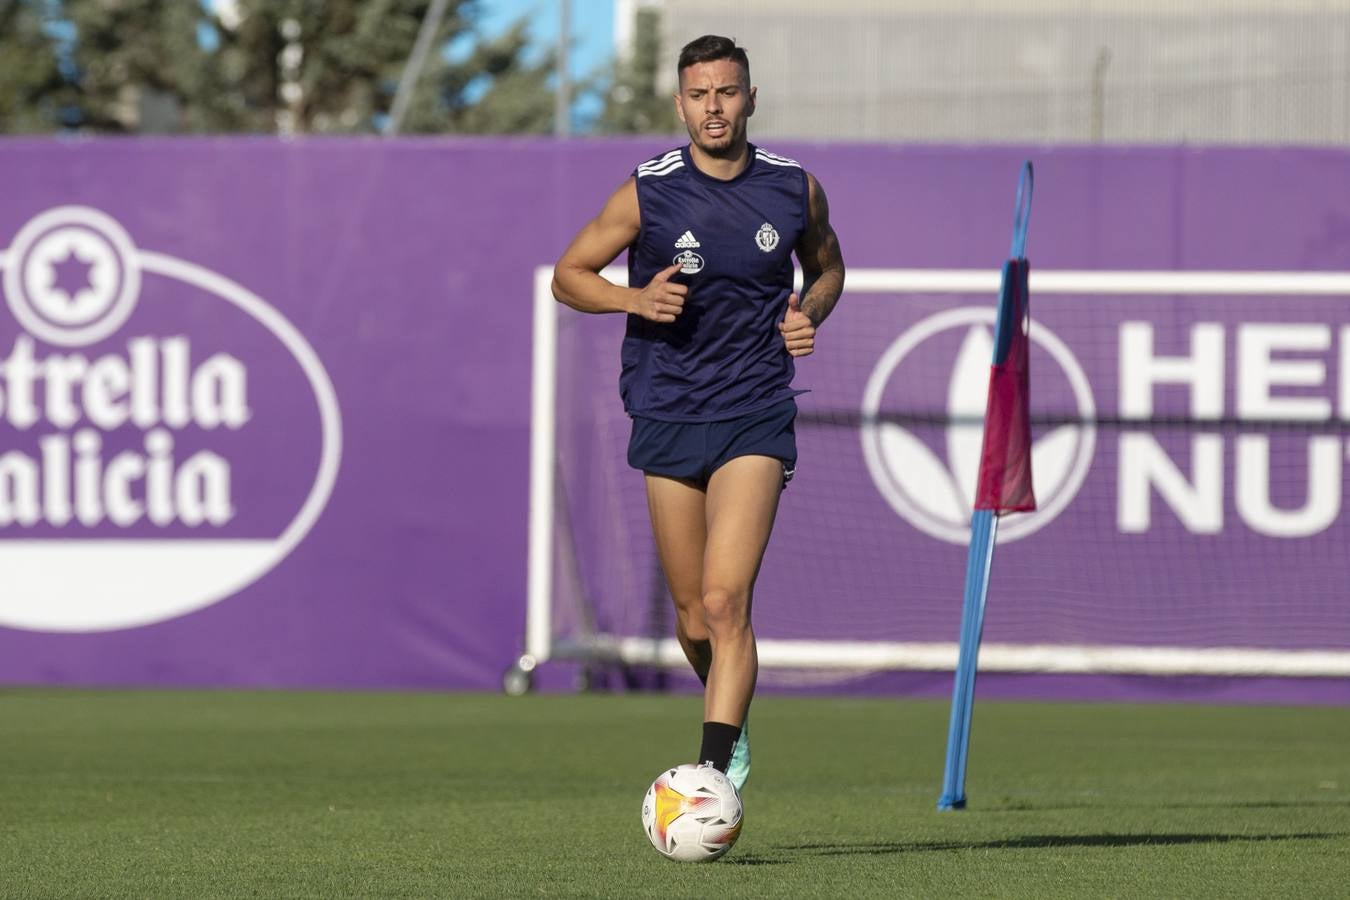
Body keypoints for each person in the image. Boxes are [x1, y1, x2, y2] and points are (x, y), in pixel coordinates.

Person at [551, 34, 844, 792]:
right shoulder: (647, 192)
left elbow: (828, 266)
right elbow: (568, 275)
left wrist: (808, 310)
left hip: (754, 410)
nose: (714, 107)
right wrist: (633, 297)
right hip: (669, 408)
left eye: (728, 91)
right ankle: (732, 710)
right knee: (690, 616)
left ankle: (713, 768)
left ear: (751, 98)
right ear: (681, 104)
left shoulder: (794, 188)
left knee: (724, 599)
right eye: (700, 94)